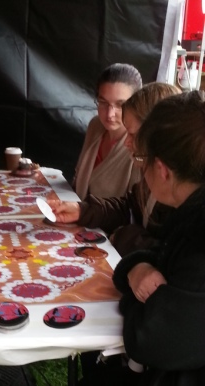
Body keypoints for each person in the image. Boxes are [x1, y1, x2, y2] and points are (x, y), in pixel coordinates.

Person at [113, 90, 205, 386]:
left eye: (142, 158)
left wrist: (135, 298)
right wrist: (137, 268)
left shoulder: (199, 232)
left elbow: (149, 339)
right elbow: (157, 256)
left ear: (162, 170)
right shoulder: (190, 212)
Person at [49, 82, 180, 255]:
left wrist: (124, 236)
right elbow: (128, 207)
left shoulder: (183, 194)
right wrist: (82, 210)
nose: (127, 142)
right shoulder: (152, 177)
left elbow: (170, 255)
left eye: (132, 135)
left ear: (156, 136)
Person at [73, 63, 142, 200]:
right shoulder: (96, 125)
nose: (110, 114)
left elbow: (133, 208)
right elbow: (78, 178)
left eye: (120, 105)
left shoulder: (139, 144)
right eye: (103, 103)